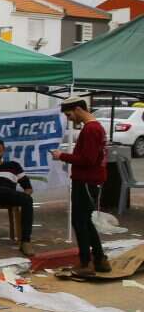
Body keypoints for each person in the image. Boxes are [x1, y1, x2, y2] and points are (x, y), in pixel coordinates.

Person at [50, 96, 110, 276]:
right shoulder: (95, 128)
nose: (69, 119)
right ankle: (99, 259)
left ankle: (86, 263)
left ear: (78, 109)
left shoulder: (91, 130)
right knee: (85, 221)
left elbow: (87, 160)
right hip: (89, 180)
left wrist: (62, 155)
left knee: (79, 221)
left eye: (69, 114)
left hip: (85, 180)